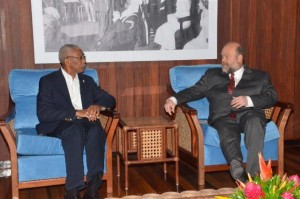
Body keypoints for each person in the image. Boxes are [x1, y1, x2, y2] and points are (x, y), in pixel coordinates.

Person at [164, 42, 278, 182]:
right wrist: (173, 99)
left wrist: (248, 100)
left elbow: (272, 97)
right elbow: (195, 91)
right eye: (222, 56)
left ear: (240, 58)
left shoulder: (260, 77)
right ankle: (236, 165)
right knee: (226, 130)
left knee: (255, 121)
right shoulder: (212, 75)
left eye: (226, 56)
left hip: (249, 114)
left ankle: (253, 176)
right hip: (223, 117)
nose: (222, 60)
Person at [36, 44, 116, 199]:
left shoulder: (87, 80)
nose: (85, 61)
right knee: (74, 131)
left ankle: (92, 189)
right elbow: (43, 113)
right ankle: (72, 191)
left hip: (86, 122)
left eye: (84, 57)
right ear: (68, 61)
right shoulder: (48, 81)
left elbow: (110, 100)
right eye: (81, 57)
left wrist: (97, 106)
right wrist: (76, 113)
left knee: (96, 131)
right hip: (61, 122)